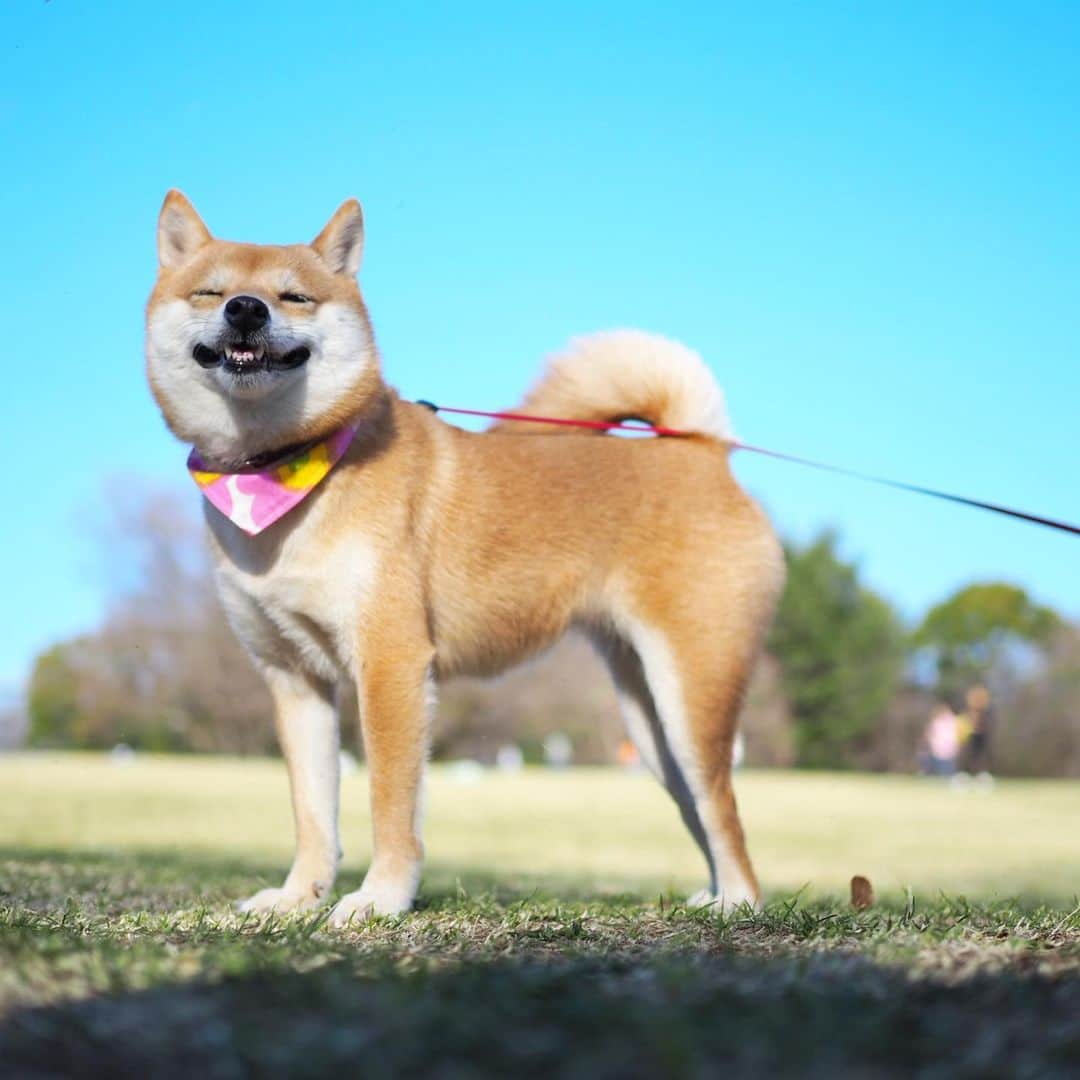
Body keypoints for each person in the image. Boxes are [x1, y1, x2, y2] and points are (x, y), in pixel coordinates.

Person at [960, 684, 994, 780]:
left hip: (982, 736)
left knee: (981, 757)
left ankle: (981, 776)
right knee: (968, 756)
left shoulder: (986, 713)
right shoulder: (969, 711)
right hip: (970, 735)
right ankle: (965, 775)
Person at [922, 704, 960, 777]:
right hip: (937, 751)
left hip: (950, 752)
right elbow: (930, 734)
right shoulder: (936, 722)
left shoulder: (953, 721)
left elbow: (956, 737)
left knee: (948, 773)